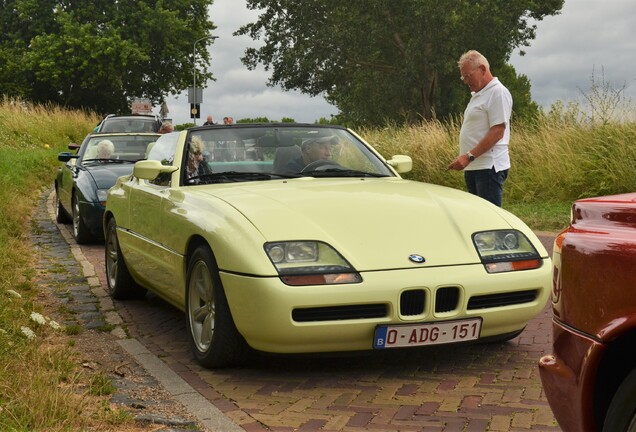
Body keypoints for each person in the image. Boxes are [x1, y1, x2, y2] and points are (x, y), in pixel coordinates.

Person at [447, 50, 512, 207]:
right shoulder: (479, 94)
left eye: (468, 76)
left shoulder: (497, 92)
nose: (465, 81)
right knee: (477, 218)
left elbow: (497, 132)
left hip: (488, 167)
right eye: (463, 77)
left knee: (489, 221)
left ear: (482, 69)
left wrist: (468, 156)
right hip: (475, 166)